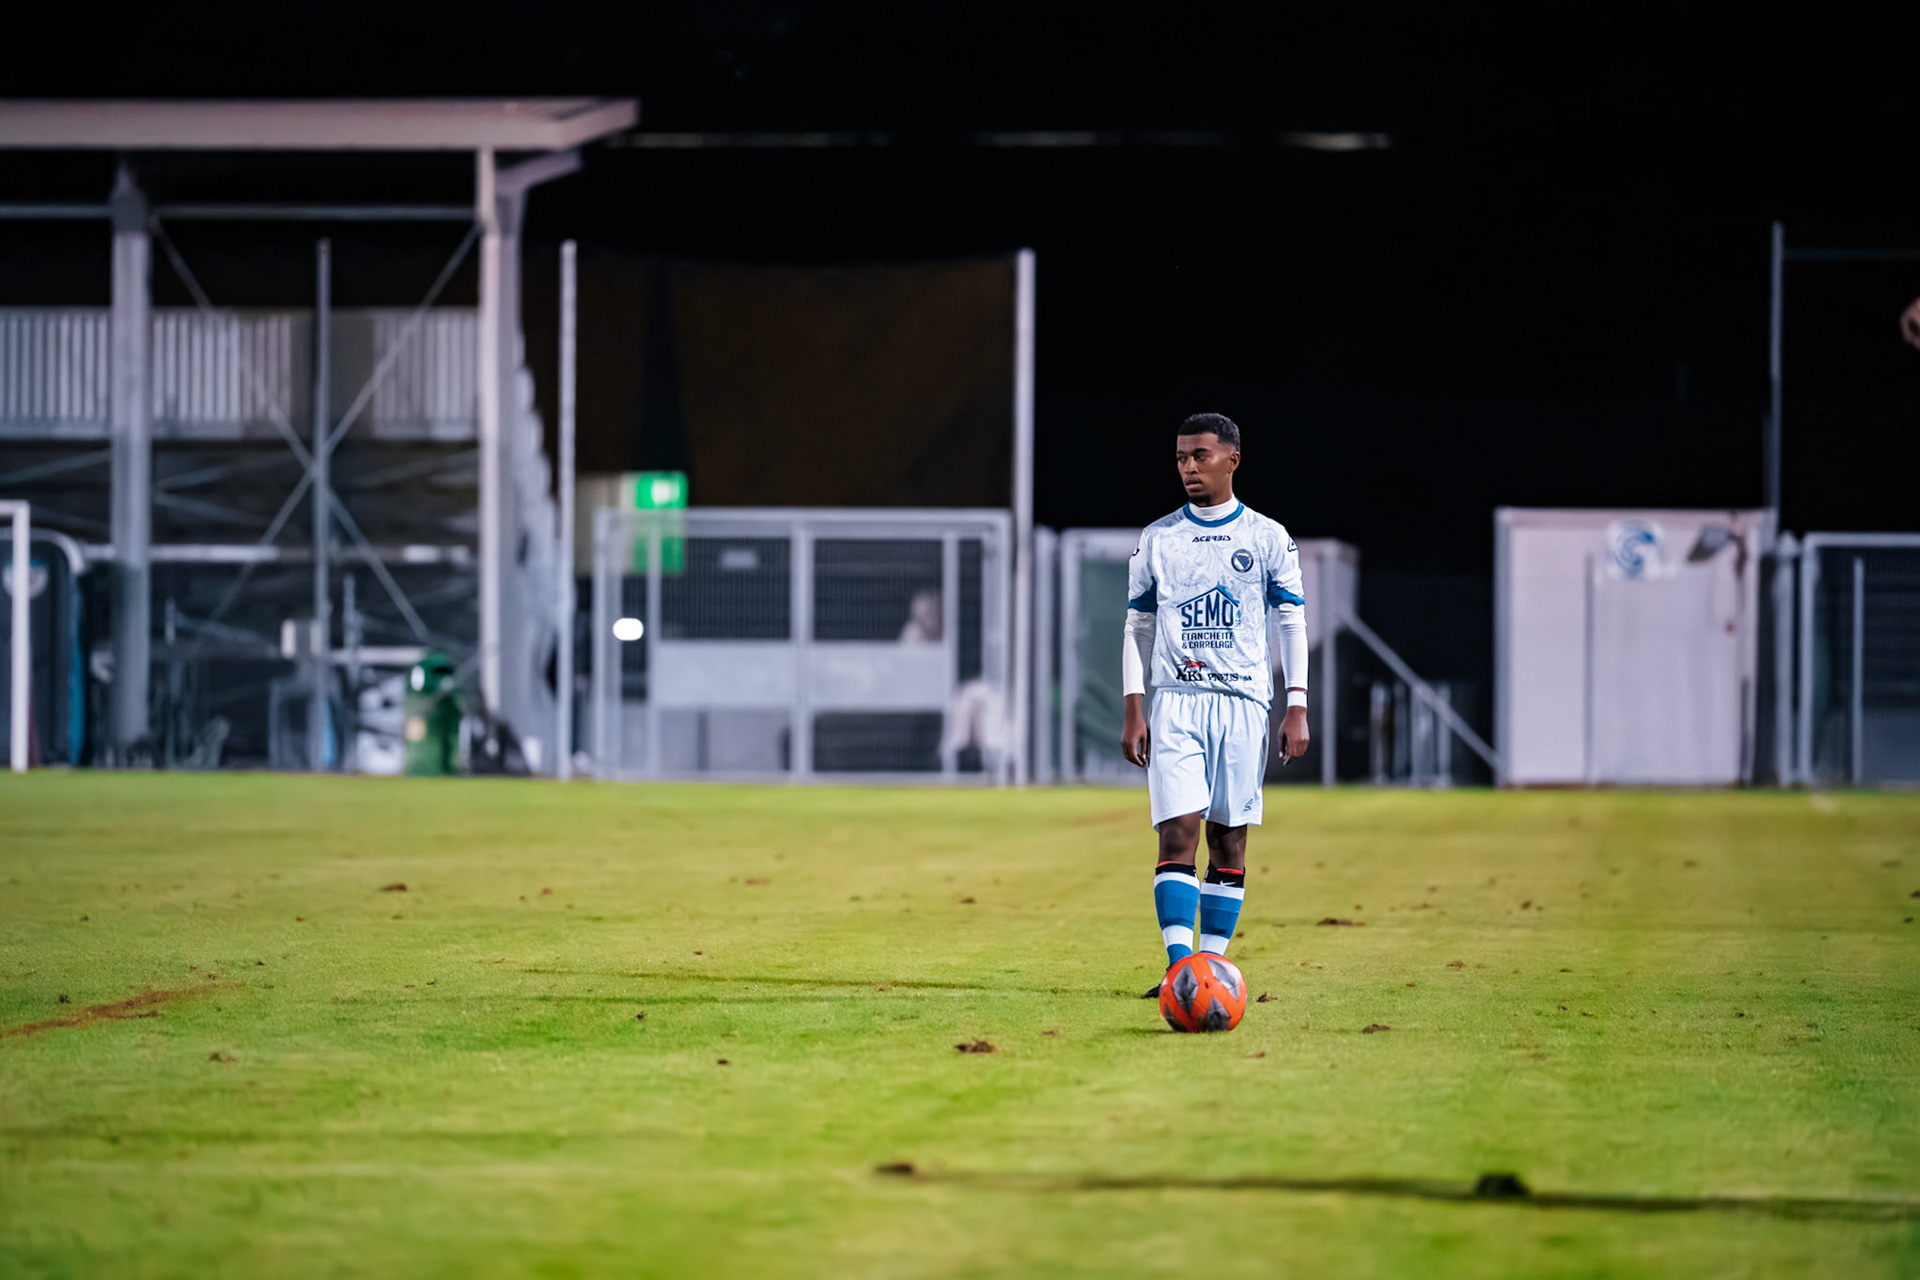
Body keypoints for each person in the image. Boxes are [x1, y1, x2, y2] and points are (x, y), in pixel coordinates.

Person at [1121, 413, 1309, 996]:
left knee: (1229, 837)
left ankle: (1212, 966)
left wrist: (1296, 702)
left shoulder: (1267, 537)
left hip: (1244, 702)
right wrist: (1135, 705)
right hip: (1176, 702)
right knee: (1176, 831)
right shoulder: (1159, 537)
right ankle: (1181, 970)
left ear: (1232, 459)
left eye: (1200, 455)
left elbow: (1291, 620)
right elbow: (1137, 624)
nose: (1188, 467)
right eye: (1180, 457)